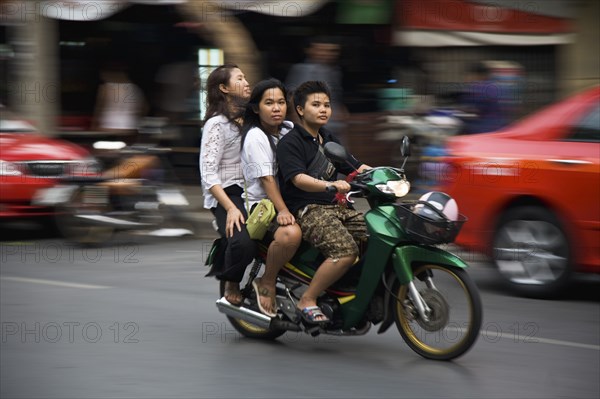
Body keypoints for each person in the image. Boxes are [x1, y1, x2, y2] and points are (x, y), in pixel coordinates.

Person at [277, 81, 371, 324]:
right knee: (345, 251)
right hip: (308, 209)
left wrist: (384, 175)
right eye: (316, 105)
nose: (323, 110)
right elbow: (298, 179)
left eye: (327, 105)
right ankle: (307, 299)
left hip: (337, 207)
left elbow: (354, 166)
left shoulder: (328, 138)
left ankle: (347, 291)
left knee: (377, 238)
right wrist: (330, 185)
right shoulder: (290, 143)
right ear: (300, 110)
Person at [240, 78, 303, 317]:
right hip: (265, 206)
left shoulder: (288, 129)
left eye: (280, 102)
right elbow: (267, 180)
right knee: (291, 233)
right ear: (256, 108)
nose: (276, 108)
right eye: (269, 103)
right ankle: (267, 281)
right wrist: (283, 211)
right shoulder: (255, 136)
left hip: (291, 199)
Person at [199, 64, 255, 305]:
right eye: (239, 78)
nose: (246, 82)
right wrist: (231, 208)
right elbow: (208, 173)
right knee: (244, 241)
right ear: (224, 88)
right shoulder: (216, 125)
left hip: (256, 189)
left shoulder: (254, 119)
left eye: (245, 77)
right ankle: (232, 279)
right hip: (227, 192)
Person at [285, 36, 349, 140]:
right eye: (321, 50)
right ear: (311, 50)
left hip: (334, 126)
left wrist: (342, 110)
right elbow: (293, 97)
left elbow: (334, 96)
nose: (326, 54)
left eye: (332, 51)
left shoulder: (335, 71)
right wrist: (300, 124)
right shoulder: (303, 70)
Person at [460, 61, 507, 134]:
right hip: (499, 127)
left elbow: (472, 109)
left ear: (476, 74)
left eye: (470, 75)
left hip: (482, 129)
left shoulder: (478, 88)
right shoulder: (496, 86)